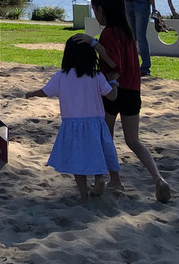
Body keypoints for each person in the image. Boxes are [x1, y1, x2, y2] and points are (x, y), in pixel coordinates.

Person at [74, 0, 172, 203]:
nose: (95, 15)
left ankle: (112, 178)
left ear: (100, 10)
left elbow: (114, 63)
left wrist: (93, 43)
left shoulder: (109, 33)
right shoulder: (128, 32)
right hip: (133, 91)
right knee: (133, 140)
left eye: (94, 11)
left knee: (106, 138)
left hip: (113, 90)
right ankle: (158, 178)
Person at [24, 35, 120, 202]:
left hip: (73, 126)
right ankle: (99, 179)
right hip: (96, 124)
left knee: (78, 160)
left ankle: (83, 194)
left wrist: (31, 94)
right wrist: (113, 81)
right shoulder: (96, 76)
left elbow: (46, 91)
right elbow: (112, 96)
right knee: (97, 153)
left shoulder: (60, 76)